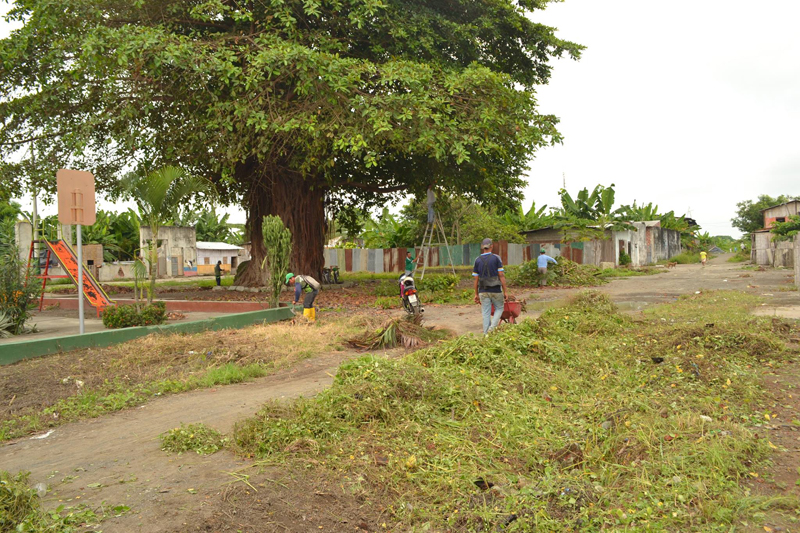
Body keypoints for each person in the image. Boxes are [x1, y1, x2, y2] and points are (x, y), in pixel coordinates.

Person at [473, 238, 508, 335]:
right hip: (496, 289)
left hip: (483, 290)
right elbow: (501, 275)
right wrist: (505, 291)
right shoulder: (496, 258)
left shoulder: (477, 260)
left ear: (482, 247)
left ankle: (486, 335)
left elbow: (476, 279)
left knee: (486, 313)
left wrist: (476, 294)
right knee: (499, 308)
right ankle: (492, 329)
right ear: (491, 246)